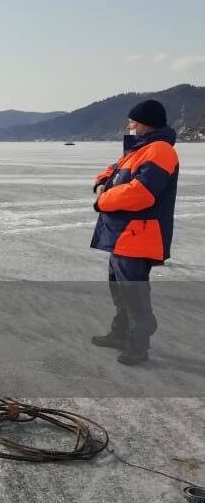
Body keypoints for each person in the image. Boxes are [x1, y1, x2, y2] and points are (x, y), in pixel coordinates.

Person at [90, 99, 179, 366]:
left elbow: (142, 193)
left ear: (145, 123)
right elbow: (111, 172)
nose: (129, 126)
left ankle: (138, 346)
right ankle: (120, 334)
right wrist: (100, 184)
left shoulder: (160, 151)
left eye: (133, 122)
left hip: (138, 235)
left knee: (135, 295)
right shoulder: (138, 149)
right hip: (121, 235)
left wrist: (103, 200)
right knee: (120, 291)